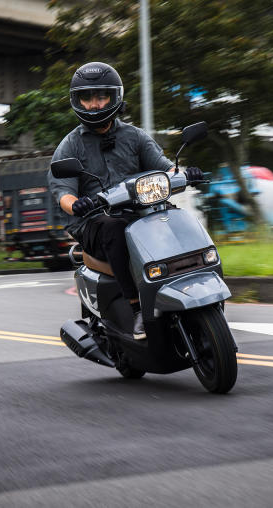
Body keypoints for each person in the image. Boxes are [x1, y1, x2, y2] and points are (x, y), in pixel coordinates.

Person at [48, 61, 203, 340]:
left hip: (141, 212)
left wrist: (184, 173)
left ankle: (192, 288)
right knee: (114, 229)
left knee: (176, 220)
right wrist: (77, 204)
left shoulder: (134, 136)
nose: (95, 104)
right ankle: (136, 310)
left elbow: (165, 167)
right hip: (93, 221)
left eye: (101, 96)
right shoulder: (70, 145)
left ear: (114, 97)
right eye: (88, 97)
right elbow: (64, 193)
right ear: (78, 101)